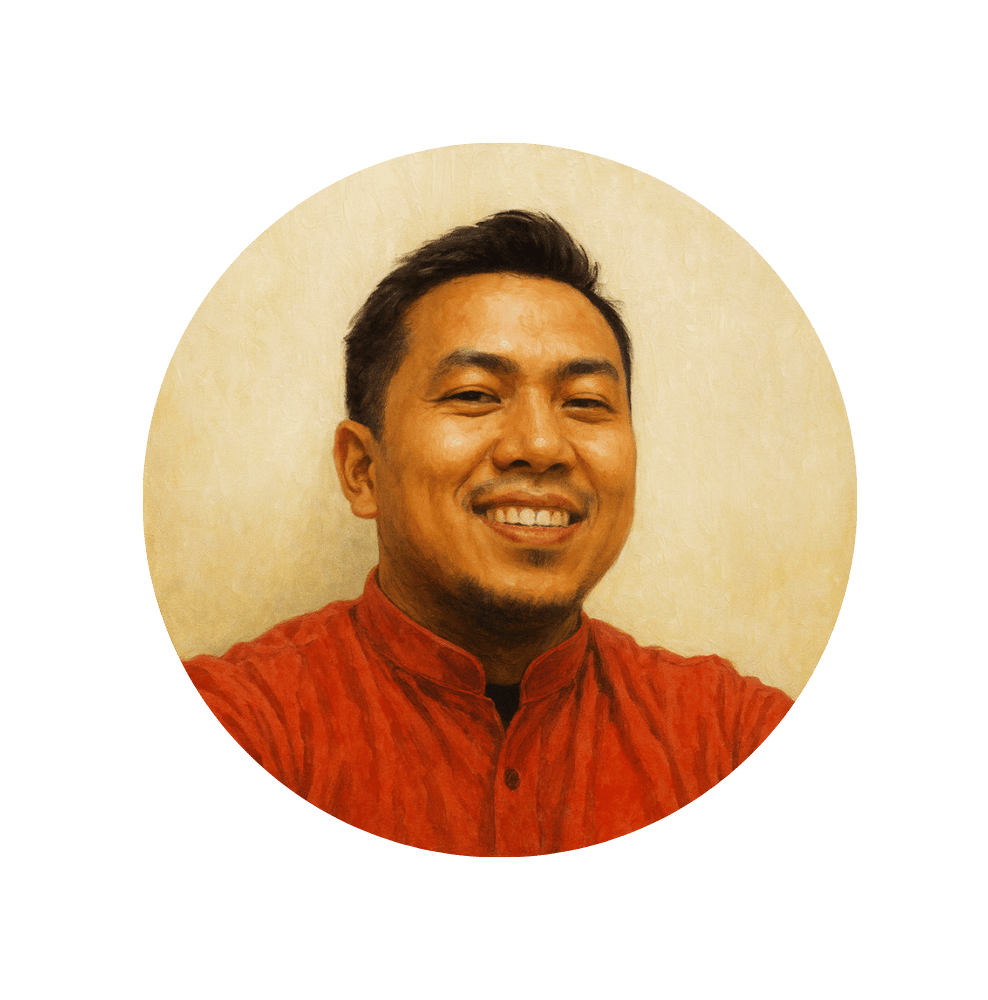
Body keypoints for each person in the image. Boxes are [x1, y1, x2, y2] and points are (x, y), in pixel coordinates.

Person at [183, 210, 793, 856]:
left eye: (586, 402)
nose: (540, 445)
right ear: (362, 470)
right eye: (475, 395)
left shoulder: (729, 738)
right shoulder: (242, 725)